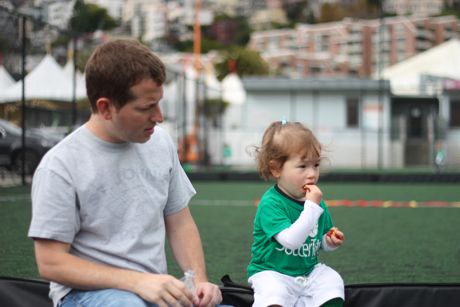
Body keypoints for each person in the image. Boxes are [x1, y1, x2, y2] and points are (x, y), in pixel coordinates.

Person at [28, 39, 222, 307]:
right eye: (146, 107)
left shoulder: (161, 142)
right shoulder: (61, 165)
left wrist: (199, 281)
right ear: (106, 108)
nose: (159, 116)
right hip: (85, 295)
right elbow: (50, 263)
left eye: (159, 103)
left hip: (153, 290)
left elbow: (180, 223)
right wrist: (137, 281)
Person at [247, 120, 345, 307]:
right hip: (272, 272)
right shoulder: (271, 203)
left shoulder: (316, 203)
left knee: (332, 281)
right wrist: (312, 208)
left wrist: (329, 241)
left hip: (307, 271)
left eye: (315, 165)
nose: (312, 174)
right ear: (276, 169)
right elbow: (291, 242)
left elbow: (319, 240)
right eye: (302, 166)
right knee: (273, 294)